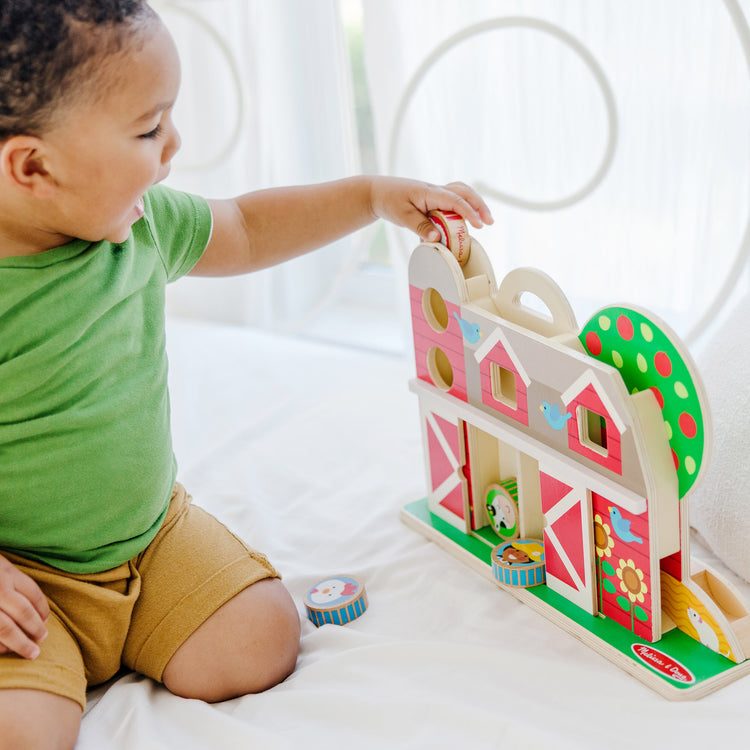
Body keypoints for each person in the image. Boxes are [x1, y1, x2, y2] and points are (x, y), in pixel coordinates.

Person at [0, 2, 493, 747]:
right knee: (29, 734)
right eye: (147, 129)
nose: (175, 145)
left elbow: (246, 226)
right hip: (28, 579)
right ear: (34, 166)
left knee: (262, 638)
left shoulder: (138, 227)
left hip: (149, 536)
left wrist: (370, 197)